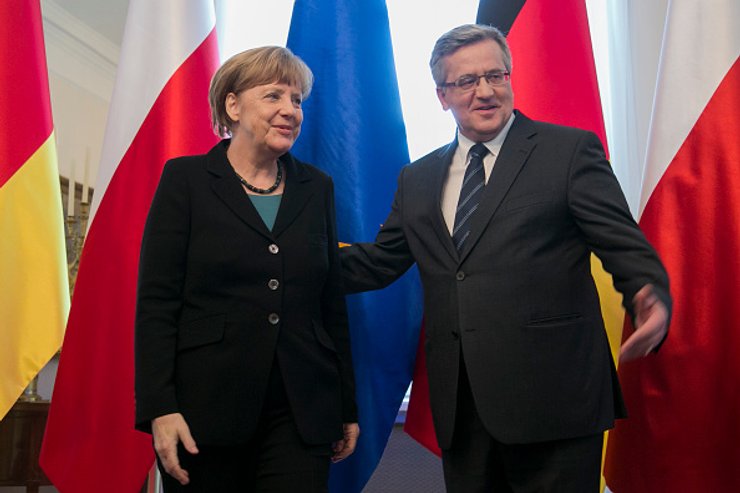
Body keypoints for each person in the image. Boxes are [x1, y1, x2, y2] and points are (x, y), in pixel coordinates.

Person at [340, 24, 671, 492]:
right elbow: (379, 262)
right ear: (442, 96)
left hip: (555, 400)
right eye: (467, 81)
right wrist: (281, 259)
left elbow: (620, 240)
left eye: (495, 75)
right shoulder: (418, 178)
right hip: (464, 408)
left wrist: (645, 289)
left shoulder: (567, 151)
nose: (485, 91)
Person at [134, 46, 359, 492]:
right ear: (233, 106)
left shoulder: (317, 188)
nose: (290, 110)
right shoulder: (185, 180)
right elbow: (157, 304)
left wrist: (345, 405)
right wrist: (160, 407)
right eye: (274, 95)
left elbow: (330, 303)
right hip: (205, 409)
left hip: (301, 409)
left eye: (297, 100)